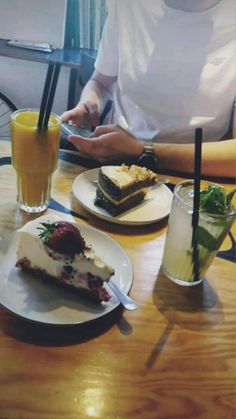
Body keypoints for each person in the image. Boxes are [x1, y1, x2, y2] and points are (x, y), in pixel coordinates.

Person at [62, 0, 236, 178]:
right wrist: (89, 102)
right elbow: (100, 82)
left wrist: (143, 151)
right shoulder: (127, 6)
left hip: (193, 178)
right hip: (115, 164)